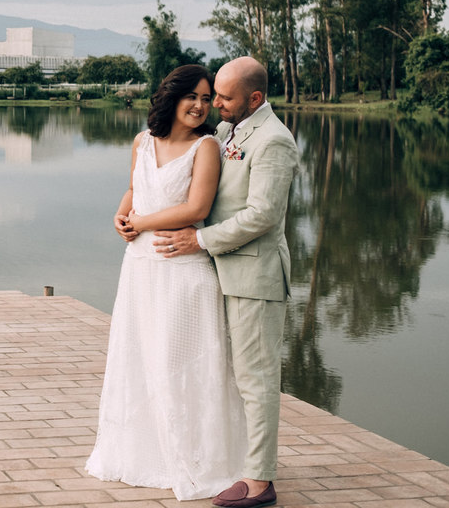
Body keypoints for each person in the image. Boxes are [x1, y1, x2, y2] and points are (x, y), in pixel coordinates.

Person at [86, 64, 247, 501]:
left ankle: (196, 460)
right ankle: (144, 454)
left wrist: (141, 221)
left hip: (183, 271)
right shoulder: (142, 141)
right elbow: (134, 190)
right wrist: (122, 217)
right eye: (191, 96)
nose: (199, 105)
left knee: (182, 363)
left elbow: (196, 208)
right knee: (139, 358)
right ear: (170, 97)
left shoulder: (207, 147)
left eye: (206, 97)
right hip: (139, 268)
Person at [152, 56, 299, 508]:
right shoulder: (226, 132)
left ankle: (260, 482)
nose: (214, 102)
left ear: (254, 99)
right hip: (221, 274)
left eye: (223, 96)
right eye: (212, 93)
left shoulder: (274, 141)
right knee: (232, 376)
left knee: (256, 380)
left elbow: (263, 215)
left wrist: (199, 240)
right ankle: (239, 459)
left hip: (253, 277)